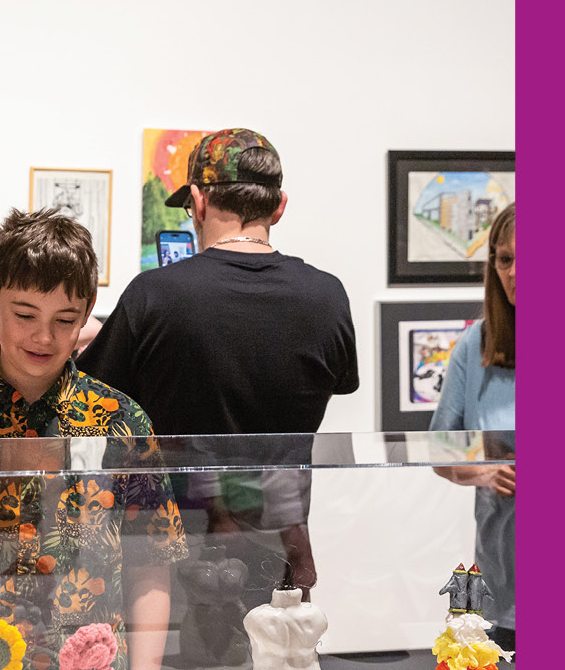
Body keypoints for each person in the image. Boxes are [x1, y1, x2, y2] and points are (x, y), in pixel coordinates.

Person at [0, 208, 187, 670]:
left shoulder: (121, 419)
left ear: (89, 310)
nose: (43, 337)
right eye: (25, 314)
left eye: (65, 320)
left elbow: (150, 560)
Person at [79, 128, 358, 609]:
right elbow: (333, 386)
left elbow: (93, 399)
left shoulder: (155, 295)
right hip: (279, 542)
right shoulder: (327, 296)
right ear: (279, 206)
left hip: (162, 553)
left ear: (198, 201)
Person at [430, 203, 515, 652]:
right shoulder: (474, 346)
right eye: (505, 259)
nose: (516, 272)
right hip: (504, 585)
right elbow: (440, 454)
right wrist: (485, 472)